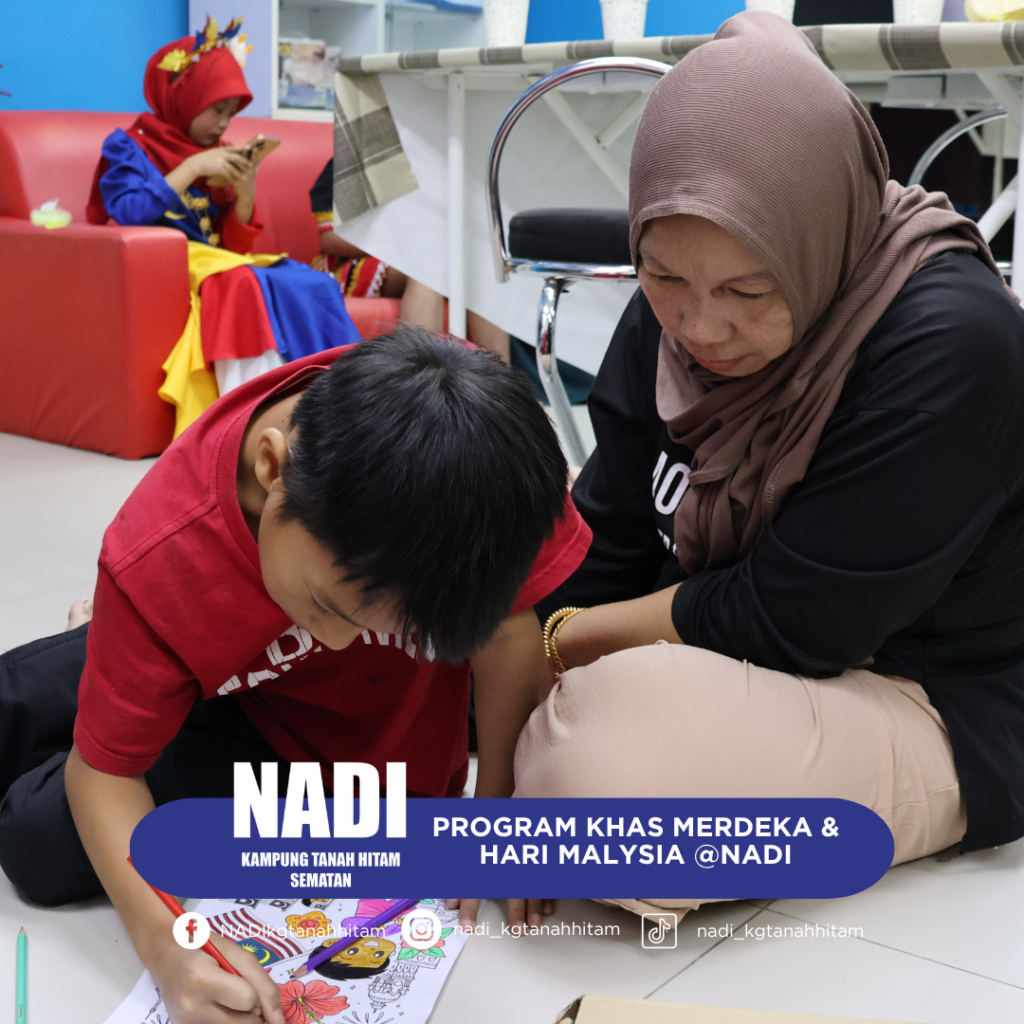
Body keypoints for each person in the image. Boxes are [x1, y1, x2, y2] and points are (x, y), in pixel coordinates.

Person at [519, 10, 1024, 921]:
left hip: (932, 695)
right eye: (662, 278)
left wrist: (555, 645)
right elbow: (614, 531)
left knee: (603, 785)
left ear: (816, 237)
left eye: (748, 291)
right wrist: (515, 633)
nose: (700, 328)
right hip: (732, 657)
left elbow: (796, 619)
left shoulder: (951, 343)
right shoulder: (673, 318)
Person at [0, 328, 590, 1024]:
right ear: (271, 467)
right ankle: (111, 645)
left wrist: (492, 816)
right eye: (326, 607)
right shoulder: (163, 552)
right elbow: (104, 771)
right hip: (207, 653)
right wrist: (171, 946)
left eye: (396, 629)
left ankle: (119, 664)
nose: (339, 641)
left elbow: (509, 629)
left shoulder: (488, 464)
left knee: (36, 843)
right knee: (17, 704)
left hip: (312, 748)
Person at [86, 17, 361, 436]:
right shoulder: (128, 146)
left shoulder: (219, 152)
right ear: (182, 96)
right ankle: (248, 421)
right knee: (241, 282)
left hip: (216, 261)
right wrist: (191, 167)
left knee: (311, 281)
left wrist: (244, 192)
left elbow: (234, 248)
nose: (223, 125)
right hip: (170, 263)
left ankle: (340, 407)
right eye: (216, 110)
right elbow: (129, 211)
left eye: (230, 114)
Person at [309, 157, 513, 362]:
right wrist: (407, 237)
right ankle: (419, 372)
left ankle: (499, 375)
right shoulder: (359, 153)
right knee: (426, 266)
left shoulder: (440, 156)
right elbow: (330, 238)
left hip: (436, 254)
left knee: (485, 268)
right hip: (358, 260)